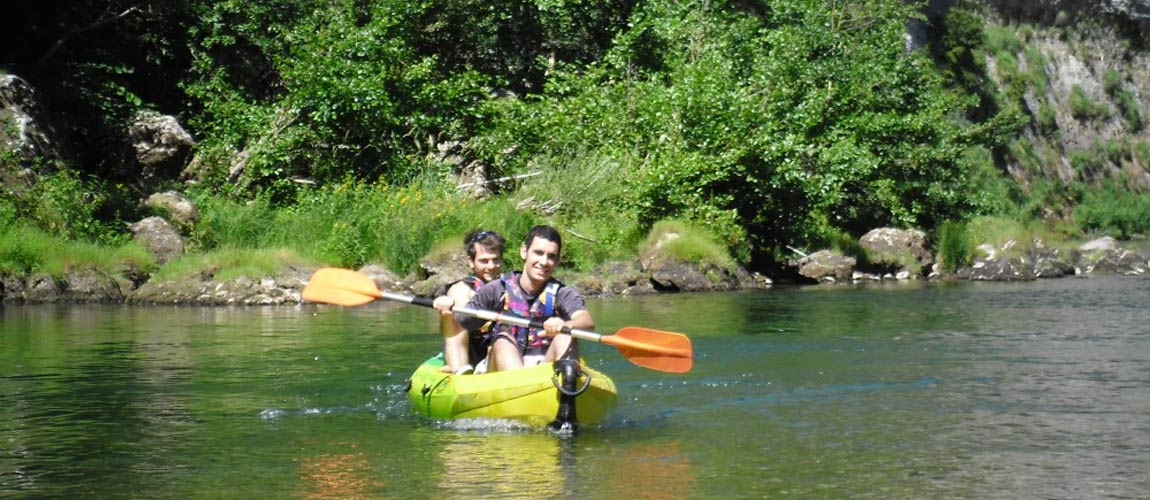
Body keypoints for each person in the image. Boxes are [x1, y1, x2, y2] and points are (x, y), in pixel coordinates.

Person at [444, 225, 593, 373]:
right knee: (503, 340)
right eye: (538, 253)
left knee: (565, 337)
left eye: (551, 256)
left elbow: (586, 321)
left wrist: (565, 325)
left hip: (543, 366)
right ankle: (519, 390)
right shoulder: (496, 289)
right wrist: (445, 313)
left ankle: (567, 388)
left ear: (557, 260)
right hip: (502, 369)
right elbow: (457, 326)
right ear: (524, 251)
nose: (544, 261)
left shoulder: (563, 293)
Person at [431, 229, 506, 374]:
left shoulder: (510, 286)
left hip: (499, 349)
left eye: (495, 260)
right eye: (484, 261)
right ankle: (460, 370)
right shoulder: (461, 289)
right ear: (471, 262)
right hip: (471, 352)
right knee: (460, 324)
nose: (491, 266)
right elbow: (456, 325)